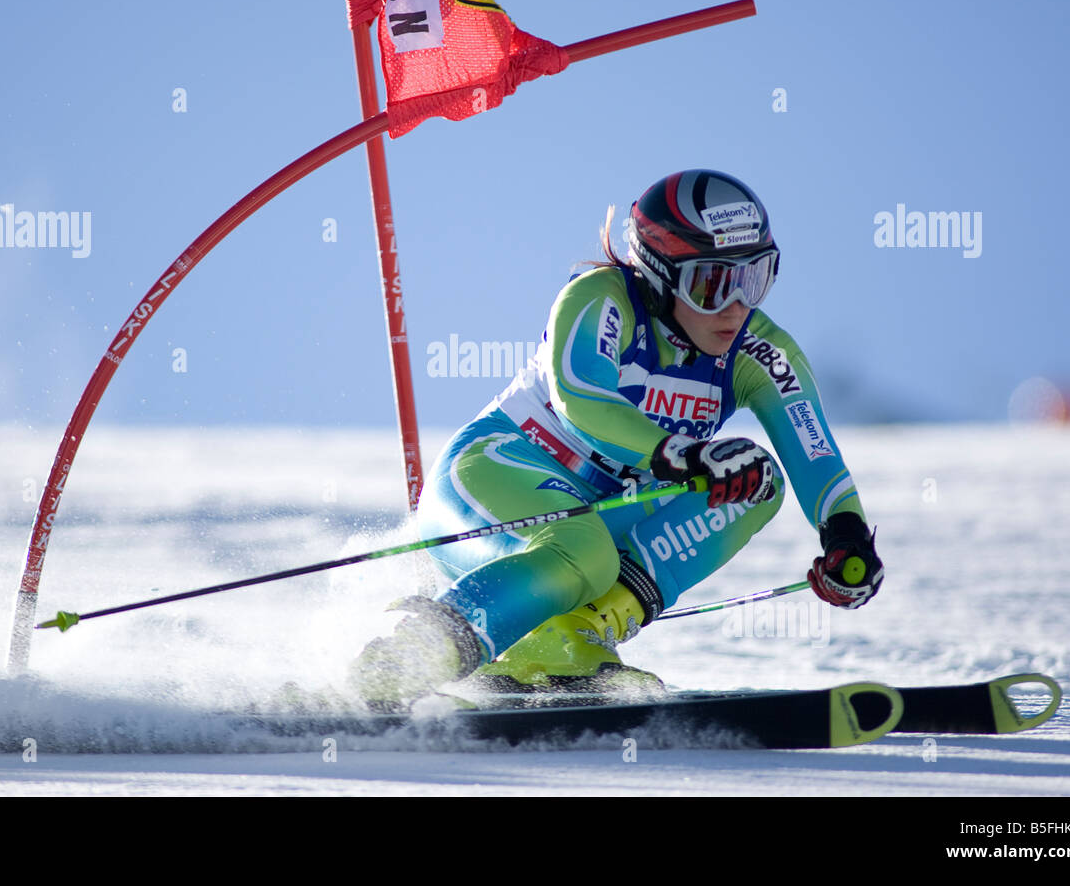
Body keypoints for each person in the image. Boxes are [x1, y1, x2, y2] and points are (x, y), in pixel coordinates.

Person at [350, 169, 884, 711]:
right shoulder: (601, 299)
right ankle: (412, 655)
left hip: (598, 516)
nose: (736, 306)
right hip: (494, 479)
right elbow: (580, 398)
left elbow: (813, 450)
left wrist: (845, 535)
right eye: (711, 284)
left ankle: (572, 635)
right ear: (659, 274)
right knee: (584, 551)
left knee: (756, 481)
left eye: (755, 279)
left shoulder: (760, 351)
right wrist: (681, 452)